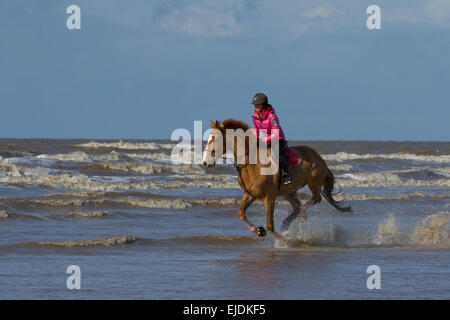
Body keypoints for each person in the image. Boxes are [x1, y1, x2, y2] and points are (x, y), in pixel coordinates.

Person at [251, 93, 293, 185]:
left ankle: (286, 175)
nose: (256, 106)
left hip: (277, 139)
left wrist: (264, 139)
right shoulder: (255, 116)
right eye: (255, 105)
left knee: (278, 155)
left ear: (264, 104)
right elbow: (256, 130)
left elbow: (276, 133)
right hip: (264, 139)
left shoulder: (271, 116)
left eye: (258, 104)